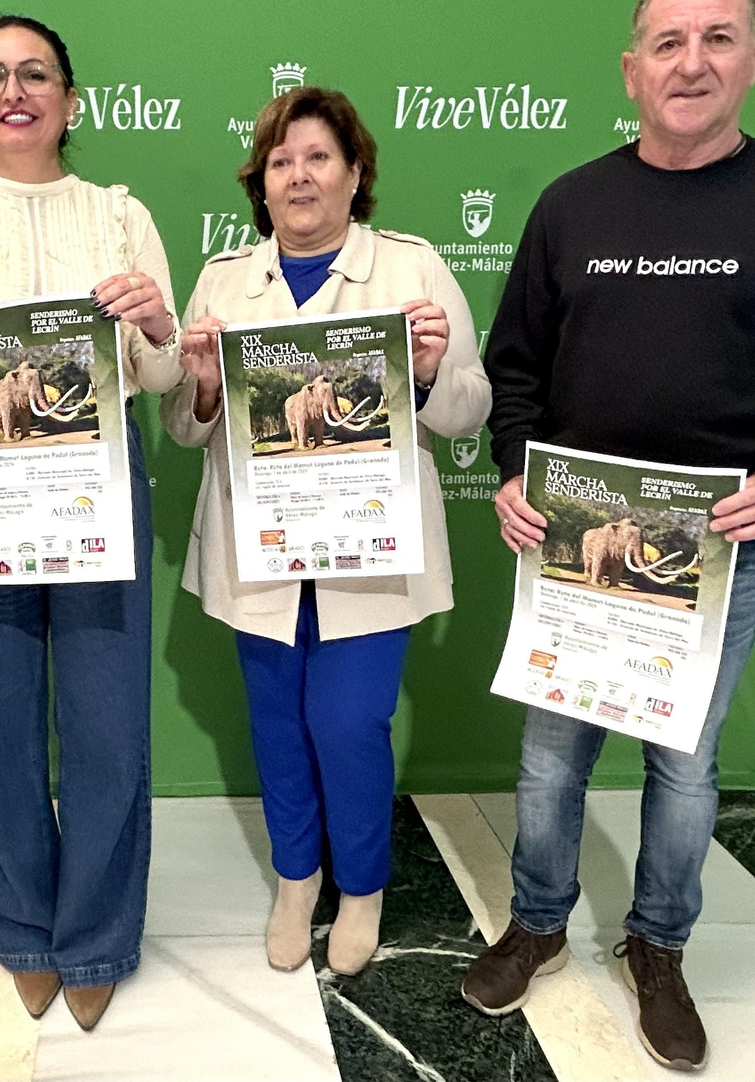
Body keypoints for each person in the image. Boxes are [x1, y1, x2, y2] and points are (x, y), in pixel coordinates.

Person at [460, 0, 755, 1071]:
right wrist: (512, 469)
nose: (689, 61)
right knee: (552, 754)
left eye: (715, 38)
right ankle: (539, 919)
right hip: (577, 537)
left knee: (683, 762)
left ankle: (659, 943)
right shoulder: (572, 204)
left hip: (714, 547)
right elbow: (513, 369)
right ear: (630, 67)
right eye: (667, 42)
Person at [0, 15, 183, 1032]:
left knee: (106, 726)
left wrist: (154, 323)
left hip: (100, 494)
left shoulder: (117, 213)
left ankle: (95, 933)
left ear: (70, 96)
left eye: (35, 75)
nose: (14, 91)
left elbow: (161, 373)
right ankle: (20, 926)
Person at [161, 87, 490, 976]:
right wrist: (195, 384)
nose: (298, 175)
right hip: (257, 553)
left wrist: (425, 374)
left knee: (349, 724)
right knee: (277, 725)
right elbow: (185, 431)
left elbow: (471, 409)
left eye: (318, 157)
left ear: (355, 174)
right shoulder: (227, 280)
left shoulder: (414, 270)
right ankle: (297, 879)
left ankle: (365, 887)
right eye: (280, 162)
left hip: (368, 557)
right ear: (260, 186)